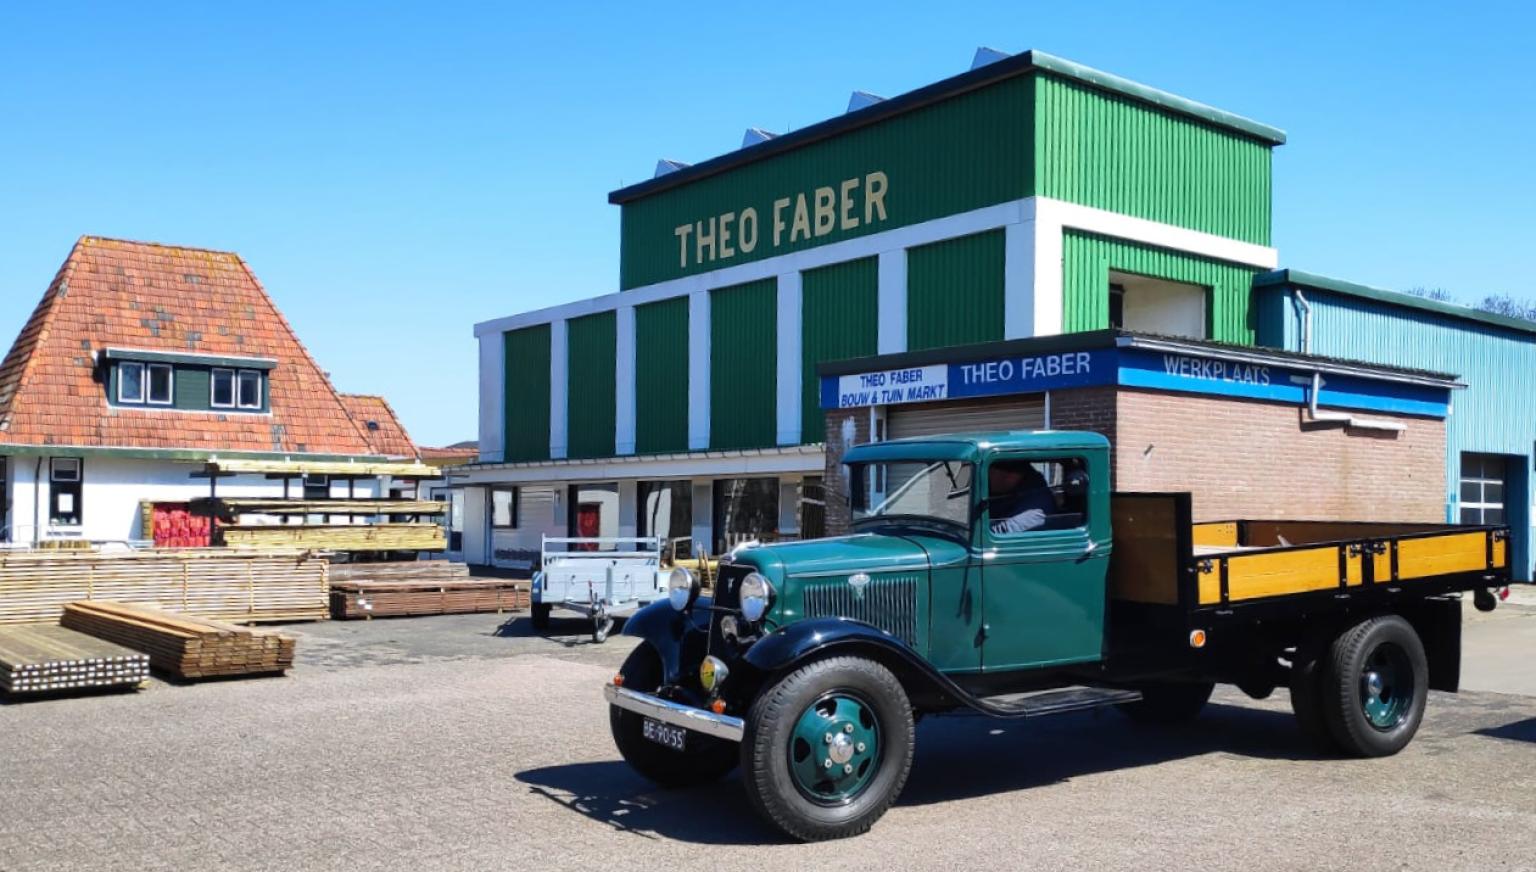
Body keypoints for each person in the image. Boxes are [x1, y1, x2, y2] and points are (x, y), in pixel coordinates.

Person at [988, 462, 1058, 534]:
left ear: (1010, 477)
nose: (988, 480)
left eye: (991, 474)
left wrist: (983, 533)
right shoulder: (1011, 491)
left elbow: (1014, 526)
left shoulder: (1037, 499)